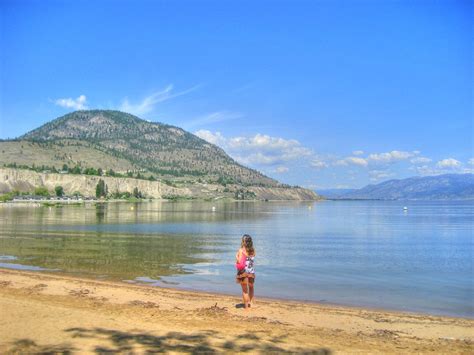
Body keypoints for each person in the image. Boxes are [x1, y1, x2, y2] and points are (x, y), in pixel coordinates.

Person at [236, 234, 255, 310]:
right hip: (251, 272)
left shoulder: (241, 250)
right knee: (251, 288)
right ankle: (251, 304)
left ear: (244, 242)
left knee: (244, 290)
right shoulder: (253, 250)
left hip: (243, 272)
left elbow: (239, 262)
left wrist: (236, 256)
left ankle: (246, 307)